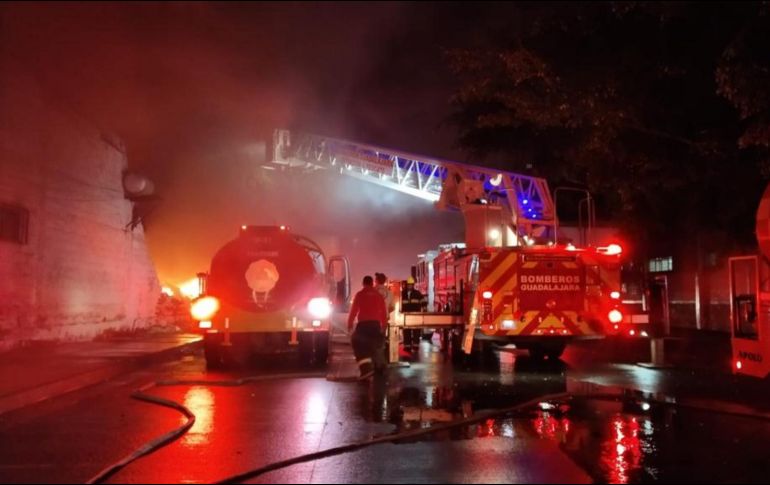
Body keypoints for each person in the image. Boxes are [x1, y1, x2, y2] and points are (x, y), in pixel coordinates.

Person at [347, 276, 388, 380]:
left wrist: (350, 324)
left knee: (358, 344)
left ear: (363, 283)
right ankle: (380, 368)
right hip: (375, 325)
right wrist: (384, 327)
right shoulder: (378, 296)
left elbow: (354, 311)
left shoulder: (359, 295)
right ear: (372, 284)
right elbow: (383, 313)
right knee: (376, 346)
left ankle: (365, 369)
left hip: (363, 325)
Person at [401, 276, 426, 351]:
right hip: (406, 315)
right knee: (406, 331)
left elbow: (423, 301)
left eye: (411, 285)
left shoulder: (417, 293)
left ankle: (416, 345)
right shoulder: (402, 293)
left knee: (416, 331)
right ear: (406, 285)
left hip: (416, 315)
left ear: (413, 285)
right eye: (408, 285)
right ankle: (407, 346)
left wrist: (424, 310)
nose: (409, 286)